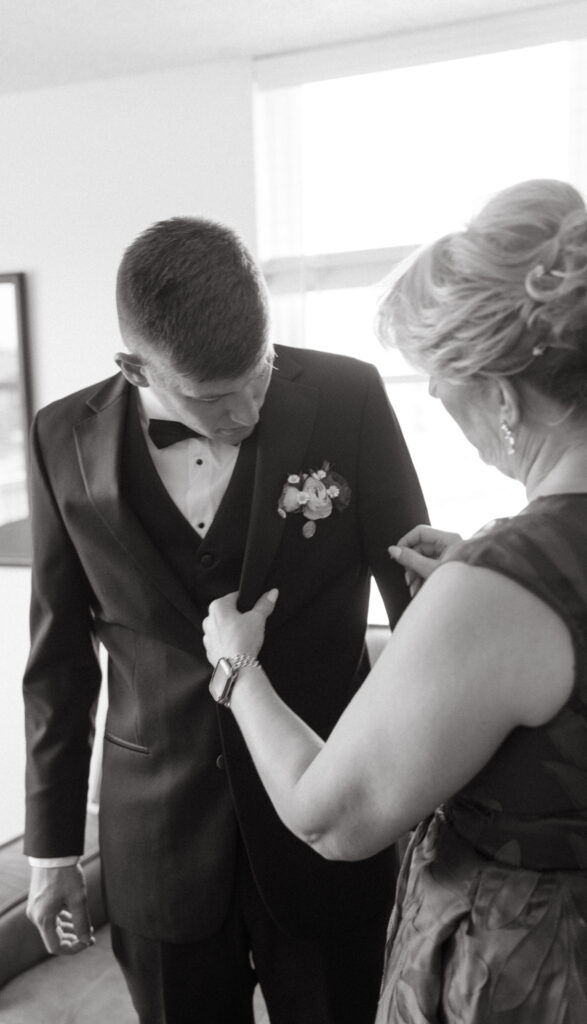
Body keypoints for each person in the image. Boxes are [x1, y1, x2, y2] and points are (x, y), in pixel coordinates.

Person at [22, 215, 428, 1024]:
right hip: (157, 845)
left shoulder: (348, 397)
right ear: (134, 365)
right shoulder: (60, 437)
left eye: (260, 372)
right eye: (212, 396)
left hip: (328, 828)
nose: (247, 408)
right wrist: (52, 847)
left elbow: (413, 608)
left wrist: (429, 795)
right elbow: (59, 656)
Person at [202, 179, 587, 1023]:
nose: (438, 405)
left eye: (438, 382)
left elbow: (327, 819)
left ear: (501, 394)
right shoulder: (515, 581)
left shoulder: (503, 587)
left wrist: (236, 667)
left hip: (535, 973)